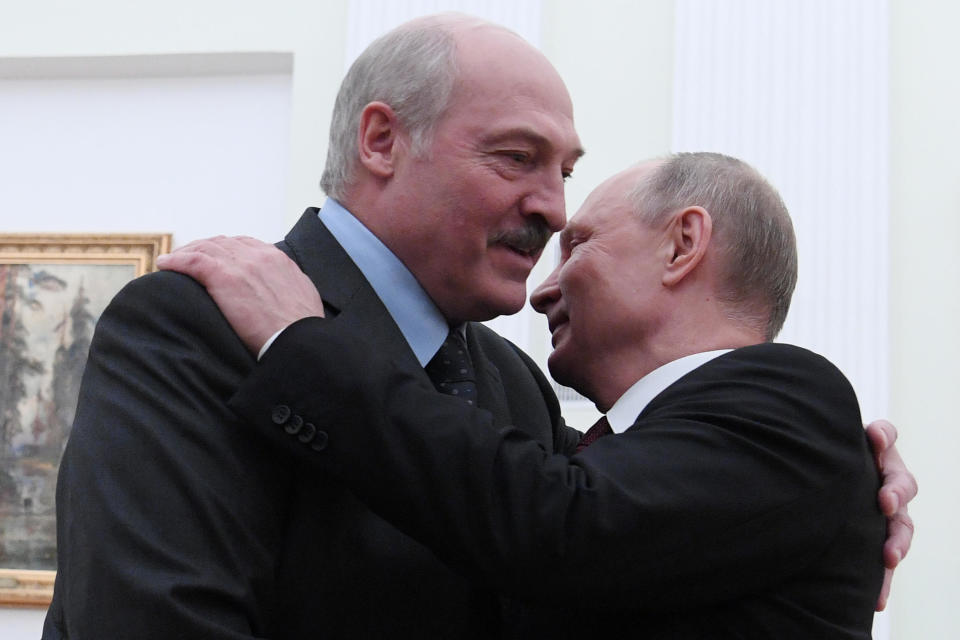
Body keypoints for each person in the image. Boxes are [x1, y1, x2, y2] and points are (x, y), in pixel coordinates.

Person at [44, 11, 914, 638]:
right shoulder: (194, 325)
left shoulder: (514, 387)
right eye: (516, 157)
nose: (549, 208)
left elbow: (583, 521)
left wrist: (849, 478)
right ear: (381, 141)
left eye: (568, 175)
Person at [164, 153, 896, 638]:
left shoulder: (794, 399)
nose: (542, 288)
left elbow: (554, 523)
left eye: (578, 245)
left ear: (684, 245)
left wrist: (301, 343)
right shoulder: (621, 452)